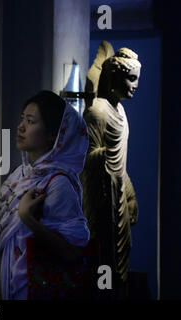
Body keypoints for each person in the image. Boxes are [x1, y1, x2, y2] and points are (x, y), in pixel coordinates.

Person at [0, 90, 90, 300]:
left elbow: (73, 252)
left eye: (31, 121)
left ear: (54, 134)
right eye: (22, 119)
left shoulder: (58, 184)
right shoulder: (19, 176)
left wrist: (27, 218)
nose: (21, 127)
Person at [80, 48, 141, 297]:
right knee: (102, 263)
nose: (136, 85)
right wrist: (106, 155)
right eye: (132, 78)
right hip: (101, 200)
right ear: (114, 76)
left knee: (120, 268)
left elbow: (120, 163)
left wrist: (128, 192)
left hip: (118, 198)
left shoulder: (121, 112)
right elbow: (86, 159)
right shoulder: (97, 112)